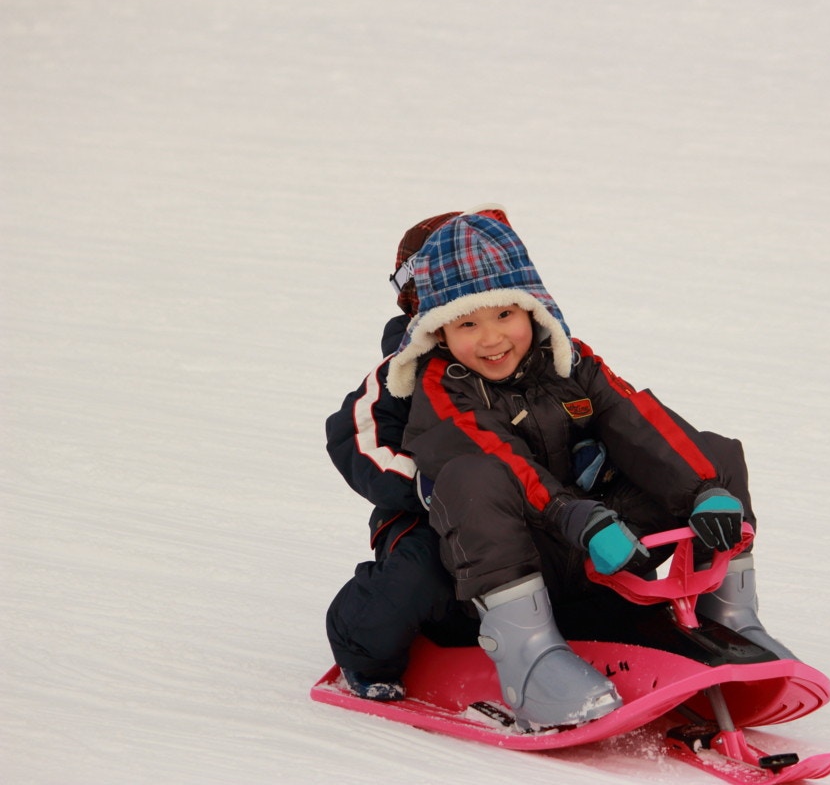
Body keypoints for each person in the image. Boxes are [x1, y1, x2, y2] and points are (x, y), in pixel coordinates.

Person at [389, 208, 795, 729]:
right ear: (440, 332)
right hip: (518, 558)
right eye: (468, 323)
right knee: (475, 476)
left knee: (711, 454)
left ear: (534, 309)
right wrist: (574, 515)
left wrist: (704, 492)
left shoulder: (571, 361)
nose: (491, 340)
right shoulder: (443, 389)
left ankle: (730, 620)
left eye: (505, 316)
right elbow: (504, 461)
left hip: (598, 543)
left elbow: (637, 423)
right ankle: (528, 656)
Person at [322, 210, 480, 702]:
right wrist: (422, 482)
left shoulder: (526, 352)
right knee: (419, 576)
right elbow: (358, 435)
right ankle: (363, 647)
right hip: (427, 521)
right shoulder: (401, 372)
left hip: (526, 515)